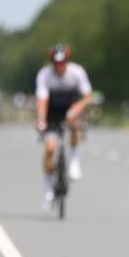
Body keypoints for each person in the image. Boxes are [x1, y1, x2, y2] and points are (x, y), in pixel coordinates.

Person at [35, 44, 93, 205]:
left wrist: (78, 107)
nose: (59, 66)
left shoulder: (77, 72)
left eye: (63, 62)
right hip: (51, 112)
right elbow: (42, 100)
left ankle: (74, 161)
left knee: (75, 123)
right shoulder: (45, 74)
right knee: (50, 149)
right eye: (56, 62)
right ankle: (48, 185)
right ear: (52, 62)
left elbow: (88, 97)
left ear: (67, 60)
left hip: (70, 108)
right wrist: (41, 120)